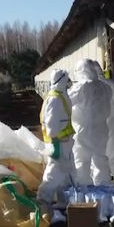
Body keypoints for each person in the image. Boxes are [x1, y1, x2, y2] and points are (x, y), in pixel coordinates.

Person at [36, 69, 77, 209]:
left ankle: (63, 201)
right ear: (62, 80)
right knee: (53, 173)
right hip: (59, 143)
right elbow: (52, 127)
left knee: (64, 174)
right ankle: (42, 200)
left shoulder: (60, 95)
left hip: (64, 142)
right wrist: (56, 144)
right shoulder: (55, 99)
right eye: (67, 80)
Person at [69, 59, 112, 187]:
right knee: (100, 159)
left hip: (85, 129)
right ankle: (103, 189)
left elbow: (66, 102)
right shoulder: (105, 86)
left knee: (82, 159)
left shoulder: (81, 87)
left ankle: (84, 190)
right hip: (102, 128)